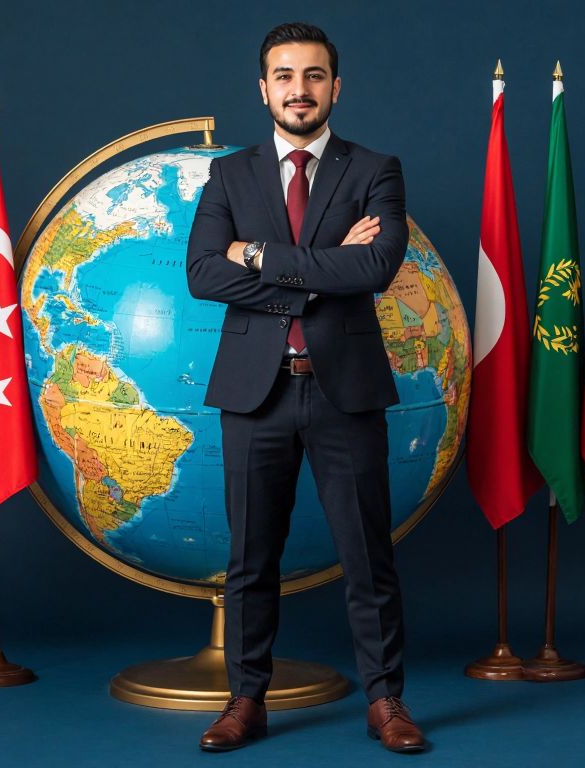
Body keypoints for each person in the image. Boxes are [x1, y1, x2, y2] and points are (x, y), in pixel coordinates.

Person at [185, 21, 426, 754]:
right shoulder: (230, 175)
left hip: (343, 392)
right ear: (264, 89)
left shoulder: (376, 170)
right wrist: (319, 271)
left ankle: (386, 702)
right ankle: (245, 701)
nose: (299, 89)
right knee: (251, 560)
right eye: (285, 76)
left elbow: (374, 270)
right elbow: (203, 274)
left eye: (314, 76)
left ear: (335, 87)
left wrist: (257, 255)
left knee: (367, 557)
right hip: (255, 396)